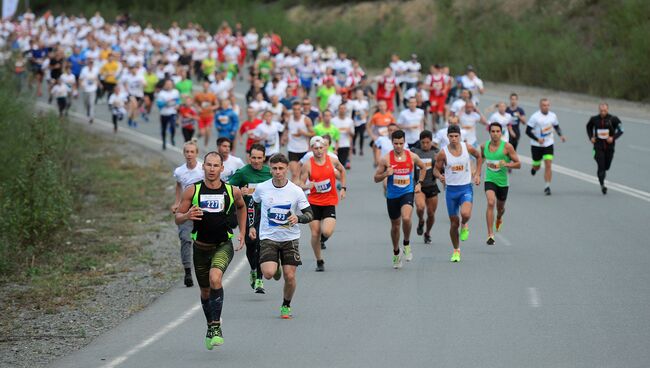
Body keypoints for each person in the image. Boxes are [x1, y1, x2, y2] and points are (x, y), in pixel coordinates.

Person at [174, 151, 247, 348]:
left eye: (216, 165)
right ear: (203, 167)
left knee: (216, 278)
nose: (212, 169)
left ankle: (216, 326)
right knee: (205, 292)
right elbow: (177, 217)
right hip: (200, 248)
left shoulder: (232, 191)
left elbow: (241, 207)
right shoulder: (192, 190)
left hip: (223, 245)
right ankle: (210, 325)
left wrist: (242, 232)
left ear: (222, 169)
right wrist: (187, 215)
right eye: (209, 165)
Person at [249, 153, 314, 319]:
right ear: (270, 169)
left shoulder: (296, 191)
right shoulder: (262, 187)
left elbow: (309, 214)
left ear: (286, 170)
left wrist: (297, 218)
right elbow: (252, 204)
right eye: (275, 168)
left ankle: (286, 305)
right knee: (269, 273)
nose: (278, 172)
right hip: (268, 237)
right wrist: (251, 226)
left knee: (290, 276)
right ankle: (275, 265)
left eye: (281, 169)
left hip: (290, 238)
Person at [373, 130, 427, 268]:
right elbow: (375, 178)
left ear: (404, 142)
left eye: (401, 143)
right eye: (396, 143)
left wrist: (419, 183)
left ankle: (407, 244)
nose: (398, 146)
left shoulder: (412, 156)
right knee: (395, 226)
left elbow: (423, 167)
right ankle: (396, 252)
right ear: (392, 143)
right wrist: (386, 173)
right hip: (392, 196)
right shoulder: (386, 159)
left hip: (407, 192)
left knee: (407, 218)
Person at [433, 124, 482, 262]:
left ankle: (465, 224)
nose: (454, 139)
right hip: (451, 191)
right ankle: (456, 250)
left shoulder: (467, 147)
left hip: (465, 188)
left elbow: (479, 157)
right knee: (454, 224)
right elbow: (436, 169)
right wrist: (439, 176)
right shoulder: (443, 152)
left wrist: (477, 174)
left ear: (460, 136)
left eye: (456, 136)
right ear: (447, 137)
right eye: (451, 136)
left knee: (465, 214)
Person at [228, 144, 272, 293]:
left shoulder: (269, 172)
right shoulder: (242, 173)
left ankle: (259, 279)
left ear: (264, 158)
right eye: (253, 157)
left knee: (260, 245)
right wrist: (240, 191)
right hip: (247, 214)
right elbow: (228, 189)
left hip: (265, 215)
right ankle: (253, 268)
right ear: (249, 157)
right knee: (251, 245)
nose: (256, 161)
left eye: (259, 158)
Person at [299, 136, 347, 272]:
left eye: (321, 148)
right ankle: (319, 260)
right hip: (313, 202)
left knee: (326, 231)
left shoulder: (332, 160)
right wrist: (307, 185)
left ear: (325, 147)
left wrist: (343, 188)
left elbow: (342, 171)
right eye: (316, 148)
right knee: (315, 233)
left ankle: (322, 240)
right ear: (311, 149)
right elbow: (300, 183)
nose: (319, 151)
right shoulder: (308, 165)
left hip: (329, 201)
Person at [171, 141, 205, 287]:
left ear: (196, 153)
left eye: (192, 152)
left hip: (201, 208)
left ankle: (205, 269)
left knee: (203, 240)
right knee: (185, 239)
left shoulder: (203, 169)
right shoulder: (179, 171)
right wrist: (177, 202)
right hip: (185, 207)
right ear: (183, 153)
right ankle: (187, 273)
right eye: (187, 152)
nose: (189, 154)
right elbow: (179, 185)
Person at [480, 123, 521, 245]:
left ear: (501, 133)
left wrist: (508, 164)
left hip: (503, 182)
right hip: (490, 179)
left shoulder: (507, 147)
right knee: (491, 202)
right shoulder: (484, 146)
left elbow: (518, 164)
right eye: (493, 131)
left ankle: (499, 217)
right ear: (489, 133)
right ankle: (490, 234)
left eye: (498, 131)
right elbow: (481, 158)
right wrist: (476, 172)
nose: (495, 134)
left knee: (500, 208)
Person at [526, 98, 566, 195]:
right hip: (536, 145)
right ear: (540, 106)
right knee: (537, 166)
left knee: (548, 165)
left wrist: (561, 135)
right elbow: (527, 131)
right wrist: (537, 139)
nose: (546, 107)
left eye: (548, 105)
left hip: (548, 143)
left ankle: (547, 186)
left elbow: (556, 126)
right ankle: (534, 168)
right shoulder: (535, 117)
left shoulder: (553, 116)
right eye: (544, 105)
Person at [586, 103, 624, 194]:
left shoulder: (613, 119)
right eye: (601, 111)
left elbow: (621, 130)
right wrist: (591, 137)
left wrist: (613, 138)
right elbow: (588, 127)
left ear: (608, 110)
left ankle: (602, 176)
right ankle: (602, 185)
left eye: (605, 110)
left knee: (607, 166)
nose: (603, 112)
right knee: (601, 166)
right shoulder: (594, 119)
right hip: (597, 147)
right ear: (599, 110)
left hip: (610, 147)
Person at [410, 130, 440, 244]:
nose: (425, 145)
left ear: (431, 142)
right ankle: (421, 220)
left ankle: (427, 233)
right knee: (420, 207)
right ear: (420, 141)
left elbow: (441, 168)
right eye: (423, 142)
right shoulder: (414, 152)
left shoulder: (436, 153)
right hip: (419, 186)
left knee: (431, 213)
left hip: (432, 186)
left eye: (428, 142)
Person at [286, 101, 315, 182]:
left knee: (303, 174)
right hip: (292, 149)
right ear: (292, 110)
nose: (296, 111)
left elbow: (313, 133)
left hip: (304, 150)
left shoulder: (306, 120)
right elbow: (286, 129)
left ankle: (301, 191)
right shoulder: (289, 119)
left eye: (298, 109)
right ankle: (292, 193)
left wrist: (303, 133)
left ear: (301, 109)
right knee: (295, 173)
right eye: (294, 109)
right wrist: (284, 137)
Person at [156, 79, 181, 150]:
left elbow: (178, 100)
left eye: (170, 84)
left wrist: (177, 105)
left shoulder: (175, 92)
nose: (169, 86)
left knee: (173, 126)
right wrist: (166, 103)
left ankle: (172, 138)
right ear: (165, 85)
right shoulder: (161, 93)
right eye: (167, 84)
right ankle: (164, 142)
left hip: (172, 113)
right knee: (164, 129)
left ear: (172, 85)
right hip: (164, 113)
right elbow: (159, 104)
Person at [331, 104, 354, 168]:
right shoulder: (333, 121)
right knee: (334, 165)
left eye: (344, 109)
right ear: (338, 110)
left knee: (341, 165)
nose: (342, 110)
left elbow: (352, 134)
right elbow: (330, 132)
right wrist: (337, 131)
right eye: (341, 108)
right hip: (334, 145)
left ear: (346, 110)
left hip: (345, 145)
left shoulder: (350, 121)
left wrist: (349, 131)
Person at [79, 58, 99, 124]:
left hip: (93, 89)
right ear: (88, 64)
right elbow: (80, 78)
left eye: (92, 63)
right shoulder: (84, 70)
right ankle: (88, 111)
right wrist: (81, 85)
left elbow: (96, 78)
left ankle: (91, 117)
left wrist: (99, 84)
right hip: (85, 89)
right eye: (89, 63)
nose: (91, 64)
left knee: (91, 103)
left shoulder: (95, 70)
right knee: (86, 103)